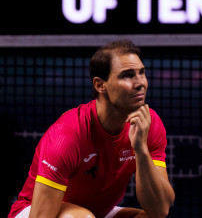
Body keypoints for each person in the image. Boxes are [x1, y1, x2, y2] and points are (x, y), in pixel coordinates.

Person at [8, 40, 175, 218]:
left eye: (141, 73)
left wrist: (141, 150)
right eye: (127, 75)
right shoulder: (67, 135)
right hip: (36, 210)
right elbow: (41, 215)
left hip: (96, 212)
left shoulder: (149, 124)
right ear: (100, 85)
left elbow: (160, 209)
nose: (140, 82)